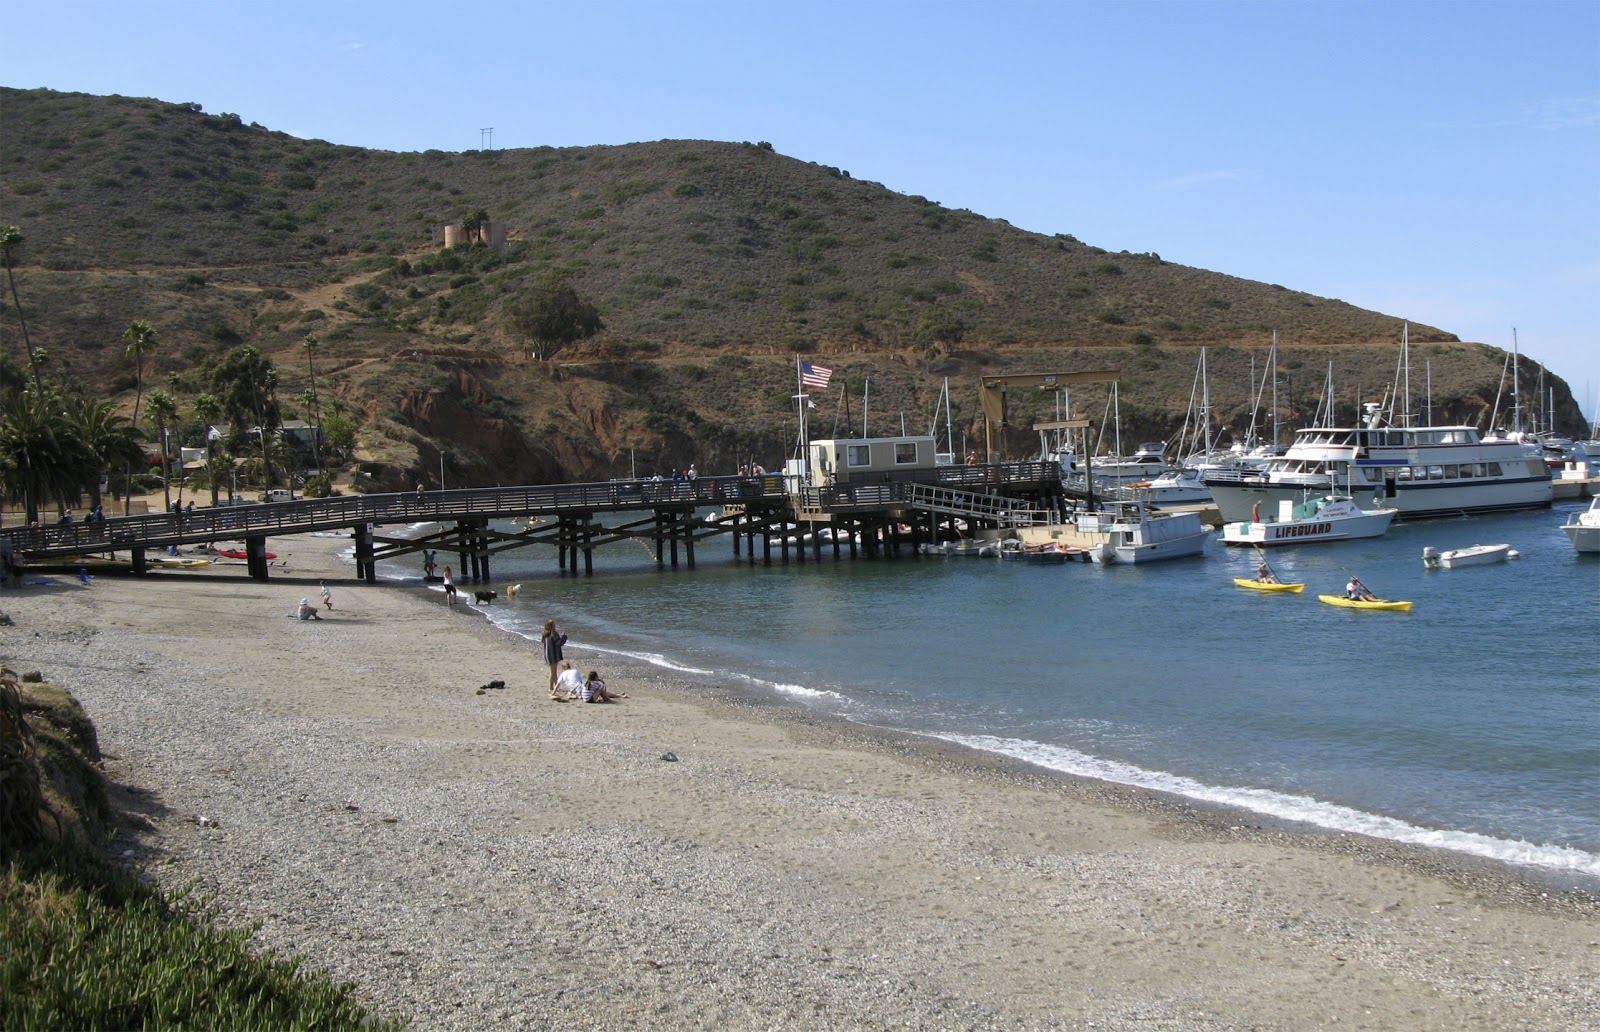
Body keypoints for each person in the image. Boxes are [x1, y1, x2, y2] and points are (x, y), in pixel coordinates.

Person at [541, 620, 568, 694]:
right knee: (553, 672)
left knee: (554, 672)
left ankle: (556, 686)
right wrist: (564, 637)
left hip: (547, 654)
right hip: (553, 655)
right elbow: (559, 643)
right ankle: (551, 688)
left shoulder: (545, 634)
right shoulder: (553, 634)